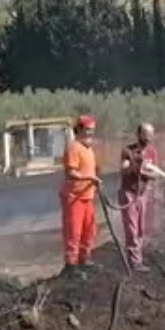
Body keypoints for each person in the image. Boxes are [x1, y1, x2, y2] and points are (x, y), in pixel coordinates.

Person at [61, 115, 101, 270]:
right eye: (88, 130)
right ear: (79, 129)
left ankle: (85, 259)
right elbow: (71, 172)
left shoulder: (89, 149)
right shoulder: (74, 147)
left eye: (92, 130)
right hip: (74, 197)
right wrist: (90, 177)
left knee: (89, 229)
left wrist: (93, 180)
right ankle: (71, 264)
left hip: (87, 196)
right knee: (74, 232)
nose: (90, 133)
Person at [119, 123, 158, 271]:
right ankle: (134, 263)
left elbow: (155, 174)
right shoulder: (128, 151)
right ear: (139, 134)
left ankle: (137, 259)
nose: (148, 137)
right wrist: (134, 167)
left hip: (143, 194)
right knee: (132, 228)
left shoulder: (152, 152)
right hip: (129, 193)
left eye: (151, 134)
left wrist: (143, 173)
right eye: (145, 134)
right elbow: (123, 170)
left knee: (141, 229)